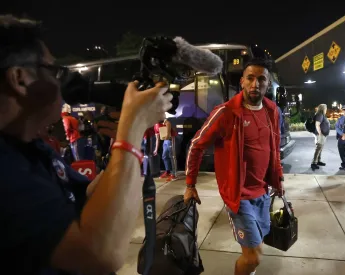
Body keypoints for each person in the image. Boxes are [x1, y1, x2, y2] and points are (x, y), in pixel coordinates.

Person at [0, 14, 173, 274]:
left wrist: (122, 143)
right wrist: (132, 131)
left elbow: (88, 198)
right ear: (20, 78)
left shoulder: (31, 147)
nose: (60, 82)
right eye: (53, 70)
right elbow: (98, 254)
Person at [183, 58, 284, 275]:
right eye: (250, 78)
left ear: (267, 84)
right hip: (239, 196)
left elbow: (274, 148)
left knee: (257, 248)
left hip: (263, 192)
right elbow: (196, 145)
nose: (255, 84)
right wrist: (190, 184)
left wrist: (278, 179)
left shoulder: (272, 111)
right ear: (242, 82)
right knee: (253, 256)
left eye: (261, 79)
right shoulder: (226, 112)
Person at [311, 103, 330, 170]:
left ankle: (318, 161)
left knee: (320, 149)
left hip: (322, 135)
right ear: (323, 109)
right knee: (318, 148)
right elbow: (317, 124)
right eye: (325, 108)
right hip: (320, 135)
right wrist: (320, 133)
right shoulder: (320, 115)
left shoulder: (321, 115)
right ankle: (314, 163)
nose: (326, 109)